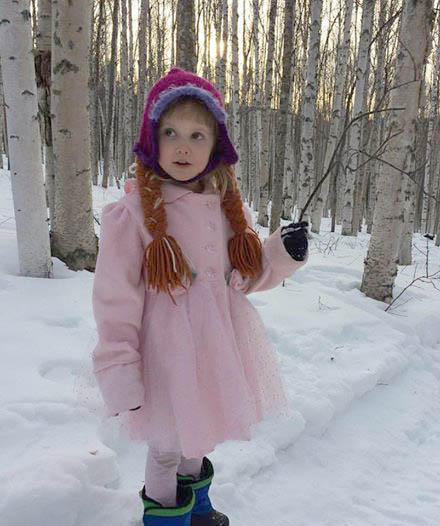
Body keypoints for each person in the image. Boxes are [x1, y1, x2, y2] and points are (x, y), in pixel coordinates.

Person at [91, 67, 309, 526]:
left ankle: (196, 509)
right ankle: (165, 519)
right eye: (170, 133)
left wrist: (281, 253)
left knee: (198, 435)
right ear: (152, 140)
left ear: (216, 147)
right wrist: (120, 368)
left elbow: (243, 279)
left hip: (213, 349)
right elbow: (115, 300)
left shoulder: (227, 211)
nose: (183, 147)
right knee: (167, 446)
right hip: (164, 356)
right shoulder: (132, 215)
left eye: (197, 135)